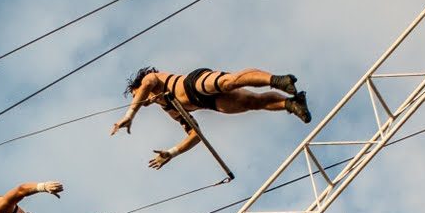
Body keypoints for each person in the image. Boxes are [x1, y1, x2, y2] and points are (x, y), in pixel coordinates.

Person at [111, 66, 311, 169]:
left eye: (138, 95)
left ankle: (277, 81)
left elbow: (146, 86)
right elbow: (195, 134)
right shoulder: (169, 108)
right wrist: (172, 152)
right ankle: (292, 104)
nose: (143, 100)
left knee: (228, 82)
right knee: (252, 102)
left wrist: (130, 115)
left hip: (193, 83)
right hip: (209, 103)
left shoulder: (150, 81)